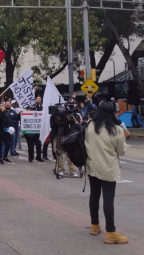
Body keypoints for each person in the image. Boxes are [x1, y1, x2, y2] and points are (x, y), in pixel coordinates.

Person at [84, 101, 128, 244]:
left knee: (94, 196)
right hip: (108, 167)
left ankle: (94, 225)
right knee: (108, 199)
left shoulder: (90, 126)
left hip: (92, 166)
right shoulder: (116, 130)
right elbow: (121, 151)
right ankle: (111, 232)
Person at [50, 111, 79, 177]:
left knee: (68, 153)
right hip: (56, 135)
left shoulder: (66, 115)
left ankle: (73, 170)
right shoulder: (53, 116)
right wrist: (57, 120)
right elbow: (52, 126)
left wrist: (69, 118)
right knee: (58, 152)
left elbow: (73, 123)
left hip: (66, 135)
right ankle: (61, 169)